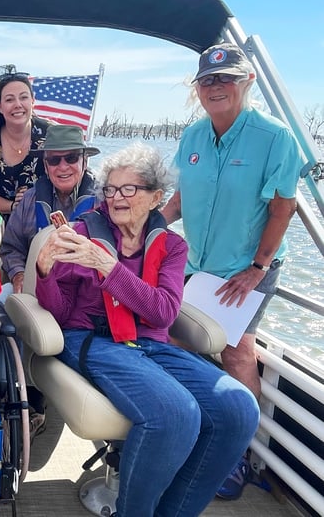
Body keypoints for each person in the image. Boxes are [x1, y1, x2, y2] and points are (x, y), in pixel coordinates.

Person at [35, 143, 260, 517]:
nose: (117, 197)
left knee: (239, 409)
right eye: (110, 189)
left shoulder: (171, 246)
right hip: (91, 340)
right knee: (176, 413)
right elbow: (59, 312)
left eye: (129, 189)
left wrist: (109, 268)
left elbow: (163, 313)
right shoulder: (80, 234)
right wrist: (44, 269)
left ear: (157, 197)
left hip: (150, 345)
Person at [161, 43, 302, 499]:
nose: (216, 87)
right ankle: (194, 429)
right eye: (208, 80)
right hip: (198, 267)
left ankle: (235, 455)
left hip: (248, 269)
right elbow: (179, 201)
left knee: (238, 351)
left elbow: (284, 207)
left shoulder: (275, 137)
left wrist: (258, 267)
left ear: (247, 82)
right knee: (176, 337)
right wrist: (140, 230)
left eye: (226, 78)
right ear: (197, 89)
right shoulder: (193, 137)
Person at [0, 124, 99, 296]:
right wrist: (18, 274)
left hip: (86, 296)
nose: (62, 166)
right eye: (54, 160)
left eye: (71, 158)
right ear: (45, 166)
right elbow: (11, 248)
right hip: (36, 289)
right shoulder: (29, 199)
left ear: (85, 161)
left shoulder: (104, 200)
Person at [0, 72, 51, 216]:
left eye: (24, 97)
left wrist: (36, 196)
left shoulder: (52, 134)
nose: (18, 105)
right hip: (8, 226)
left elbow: (69, 174)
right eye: (9, 100)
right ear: (0, 107)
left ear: (33, 101)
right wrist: (14, 205)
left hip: (50, 217)